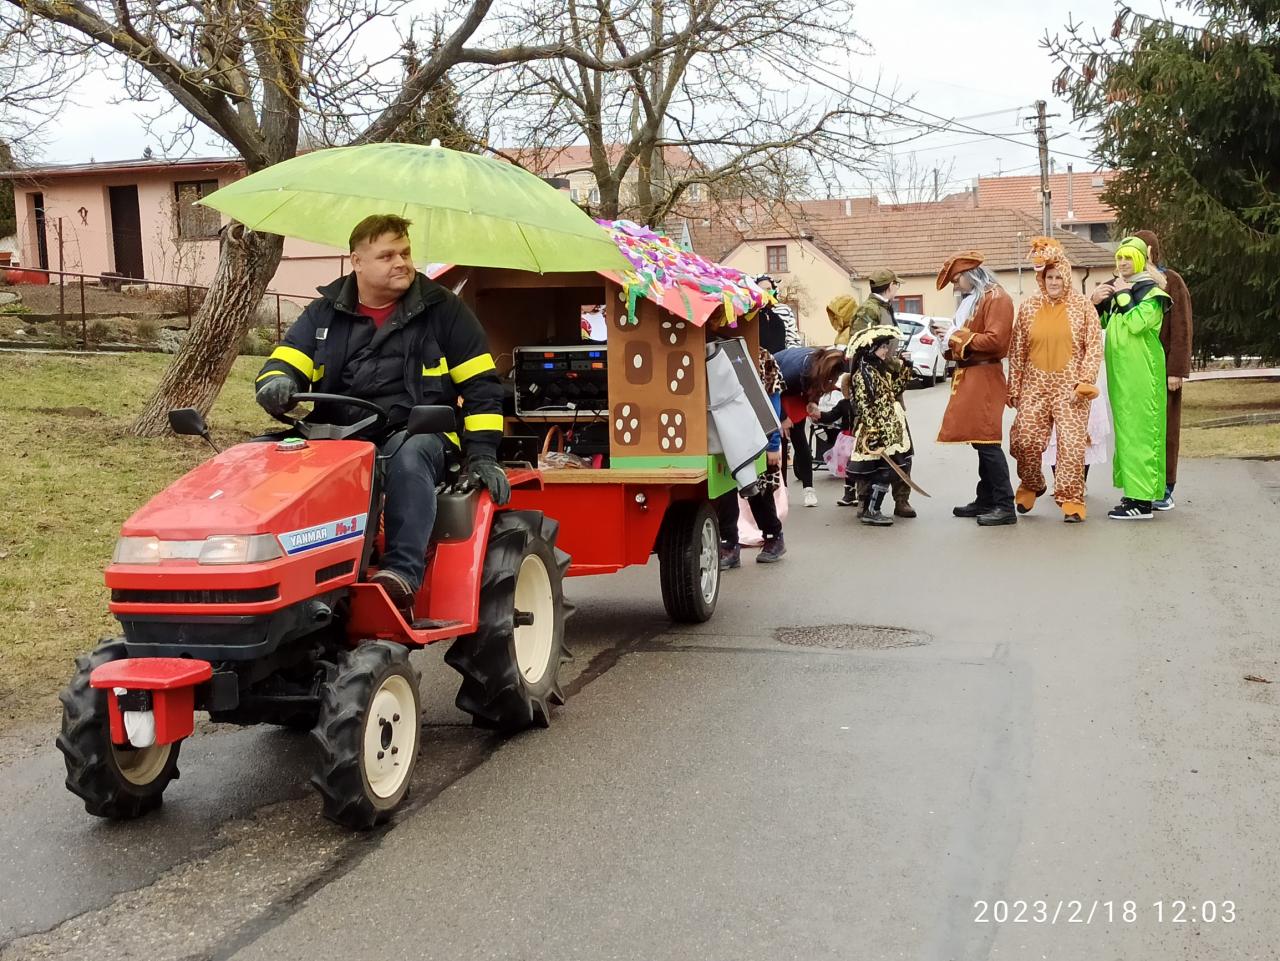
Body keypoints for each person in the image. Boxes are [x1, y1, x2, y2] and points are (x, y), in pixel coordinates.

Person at [255, 214, 510, 610]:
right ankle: (267, 572)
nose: (402, 263)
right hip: (336, 436)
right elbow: (282, 364)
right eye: (387, 255)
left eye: (405, 253)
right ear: (356, 261)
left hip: (419, 432)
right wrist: (276, 384)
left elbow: (482, 389)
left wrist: (482, 455)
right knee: (261, 456)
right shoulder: (323, 313)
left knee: (409, 456)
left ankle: (401, 574)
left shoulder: (444, 310)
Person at [1007, 238, 1103, 522]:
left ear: (1067, 277)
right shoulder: (1028, 307)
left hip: (1070, 389)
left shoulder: (1083, 307)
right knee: (1024, 440)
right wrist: (1014, 387)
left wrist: (1085, 382)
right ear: (1041, 278)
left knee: (1071, 447)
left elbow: (1094, 347)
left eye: (1058, 277)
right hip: (1034, 387)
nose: (1053, 282)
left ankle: (1071, 499)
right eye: (1049, 277)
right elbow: (1017, 350)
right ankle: (1032, 483)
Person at [932, 250, 1017, 526]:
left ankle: (1004, 505)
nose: (956, 286)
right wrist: (946, 340)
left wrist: (955, 335)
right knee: (981, 441)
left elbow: (995, 341)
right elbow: (965, 342)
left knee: (987, 441)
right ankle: (987, 499)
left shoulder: (997, 298)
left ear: (970, 274)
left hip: (985, 376)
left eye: (957, 280)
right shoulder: (976, 299)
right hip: (972, 374)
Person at [1090, 235, 1171, 520]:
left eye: (1128, 258)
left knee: (1141, 433)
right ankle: (1134, 493)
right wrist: (1096, 303)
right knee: (1126, 433)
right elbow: (1103, 325)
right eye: (1119, 258)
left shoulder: (1151, 293)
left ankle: (1143, 502)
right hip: (1121, 376)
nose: (1123, 263)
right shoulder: (1121, 291)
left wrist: (1123, 294)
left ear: (1140, 260)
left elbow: (1137, 323)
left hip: (1142, 374)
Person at [1133, 229, 1193, 511]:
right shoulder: (1131, 283)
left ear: (1150, 252)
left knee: (1165, 429)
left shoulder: (1171, 281)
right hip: (1137, 370)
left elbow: (1182, 327)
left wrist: (1176, 370)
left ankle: (1166, 486)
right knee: (1141, 431)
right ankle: (1142, 486)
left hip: (1163, 369)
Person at [719, 349, 787, 567]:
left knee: (758, 489)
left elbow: (772, 402)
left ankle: (773, 536)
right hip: (723, 432)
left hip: (756, 434)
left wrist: (773, 443)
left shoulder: (763, 357)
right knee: (724, 491)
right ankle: (729, 544)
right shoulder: (710, 351)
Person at [840, 325, 914, 526]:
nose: (885, 351)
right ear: (871, 348)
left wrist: (907, 368)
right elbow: (864, 406)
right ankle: (871, 510)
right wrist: (874, 432)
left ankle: (872, 509)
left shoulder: (879, 370)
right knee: (880, 471)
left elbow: (893, 391)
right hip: (875, 432)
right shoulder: (862, 374)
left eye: (886, 347)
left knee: (887, 470)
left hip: (888, 431)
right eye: (882, 347)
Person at [774, 345, 847, 507]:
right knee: (780, 441)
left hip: (797, 388)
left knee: (799, 438)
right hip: (777, 390)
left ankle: (808, 489)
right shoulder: (792, 371)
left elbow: (818, 387)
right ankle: (781, 490)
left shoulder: (820, 367)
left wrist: (813, 402)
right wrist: (783, 418)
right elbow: (772, 392)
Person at [756, 275, 803, 353]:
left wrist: (789, 355)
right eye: (761, 289)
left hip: (783, 356)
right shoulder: (751, 313)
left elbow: (793, 339)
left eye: (768, 289)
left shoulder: (784, 310)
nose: (766, 293)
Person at [851, 268, 900, 332]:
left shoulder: (884, 306)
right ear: (891, 285)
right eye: (897, 284)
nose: (897, 288)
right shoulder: (868, 309)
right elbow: (860, 336)